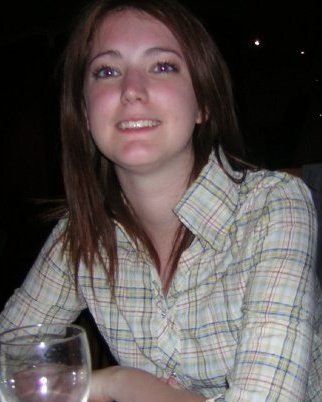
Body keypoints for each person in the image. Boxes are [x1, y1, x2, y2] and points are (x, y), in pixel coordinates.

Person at [0, 0, 321, 400]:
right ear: (84, 112)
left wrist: (121, 384)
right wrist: (115, 382)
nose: (131, 90)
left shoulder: (274, 206)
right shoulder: (79, 235)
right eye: (107, 71)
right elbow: (8, 357)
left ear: (204, 102)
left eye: (163, 66)